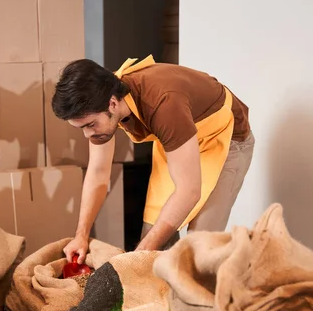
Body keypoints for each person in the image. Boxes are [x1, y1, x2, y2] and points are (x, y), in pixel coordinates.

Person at [52, 55, 254, 262]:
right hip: (181, 139)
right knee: (153, 238)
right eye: (81, 128)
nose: (87, 134)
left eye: (90, 125)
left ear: (112, 104)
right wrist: (81, 236)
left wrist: (136, 259)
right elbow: (98, 172)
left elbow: (189, 192)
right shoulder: (101, 96)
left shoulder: (163, 104)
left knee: (199, 250)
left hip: (225, 139)